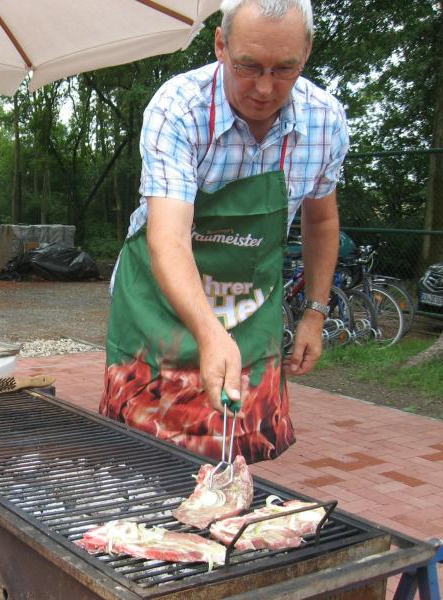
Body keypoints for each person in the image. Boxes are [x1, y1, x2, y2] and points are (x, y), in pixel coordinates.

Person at [101, 0, 348, 463]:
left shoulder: (325, 120)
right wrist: (210, 333)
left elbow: (322, 220)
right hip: (157, 306)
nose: (265, 87)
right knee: (141, 454)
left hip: (249, 309)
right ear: (220, 44)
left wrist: (315, 313)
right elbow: (169, 238)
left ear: (306, 52)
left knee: (241, 448)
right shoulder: (179, 107)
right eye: (248, 66)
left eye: (284, 69)